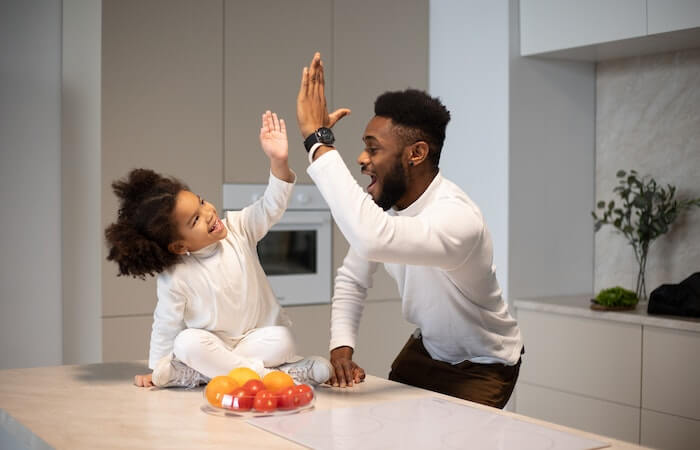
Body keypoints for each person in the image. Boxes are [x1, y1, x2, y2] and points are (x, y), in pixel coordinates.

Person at [295, 53, 524, 408]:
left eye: (373, 148)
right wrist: (342, 348)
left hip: (483, 364)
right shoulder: (385, 209)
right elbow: (353, 278)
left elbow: (371, 236)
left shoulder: (457, 219)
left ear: (416, 153)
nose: (361, 158)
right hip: (428, 348)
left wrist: (317, 141)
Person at [105, 111, 332, 388]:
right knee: (187, 342)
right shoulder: (175, 276)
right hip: (213, 346)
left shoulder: (238, 227)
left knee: (283, 339)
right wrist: (157, 369)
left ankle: (203, 374)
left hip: (255, 341)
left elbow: (271, 205)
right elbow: (165, 323)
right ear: (179, 245)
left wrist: (278, 160)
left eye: (201, 202)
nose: (209, 213)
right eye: (195, 219)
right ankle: (276, 376)